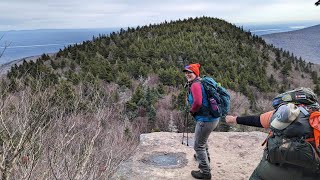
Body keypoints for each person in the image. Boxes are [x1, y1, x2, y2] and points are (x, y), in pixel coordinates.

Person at [225, 89, 320, 180]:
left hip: (268, 172)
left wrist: (234, 119)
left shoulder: (279, 114)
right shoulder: (317, 117)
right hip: (308, 175)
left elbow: (256, 120)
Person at [183, 63, 219, 179]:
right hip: (212, 118)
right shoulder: (201, 82)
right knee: (202, 141)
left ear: (196, 73)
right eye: (186, 72)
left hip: (205, 120)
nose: (187, 74)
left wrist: (192, 111)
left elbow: (198, 102)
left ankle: (205, 172)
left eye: (190, 72)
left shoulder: (195, 85)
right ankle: (205, 158)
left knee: (198, 146)